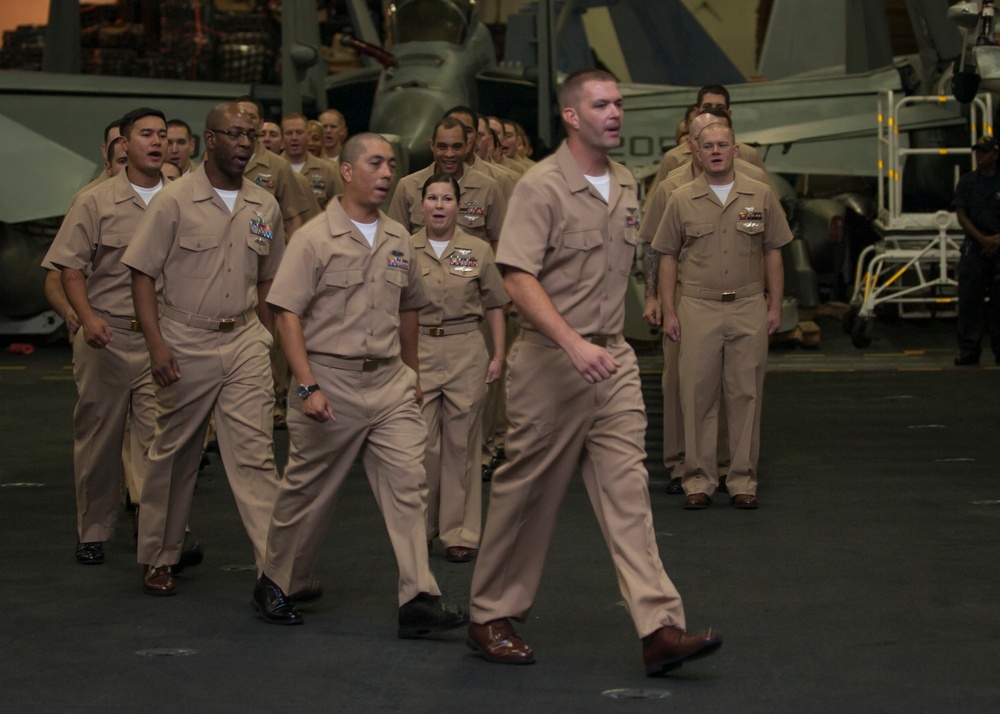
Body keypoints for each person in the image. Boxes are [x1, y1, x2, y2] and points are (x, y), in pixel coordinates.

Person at [465, 70, 722, 676]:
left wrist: (605, 343)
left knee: (628, 493)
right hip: (554, 362)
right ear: (572, 117)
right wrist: (571, 343)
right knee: (528, 491)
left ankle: (659, 627)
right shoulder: (542, 186)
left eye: (619, 104)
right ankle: (488, 615)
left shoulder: (627, 182)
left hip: (613, 361)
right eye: (601, 104)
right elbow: (517, 276)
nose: (614, 114)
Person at [249, 134, 469, 640]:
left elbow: (409, 305)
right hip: (330, 380)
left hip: (389, 382)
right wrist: (306, 386)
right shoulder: (314, 238)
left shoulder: (398, 238)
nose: (387, 172)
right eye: (376, 163)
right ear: (347, 172)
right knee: (305, 489)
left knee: (409, 486)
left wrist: (411, 372)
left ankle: (418, 596)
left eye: (392, 164)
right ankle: (275, 581)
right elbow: (286, 314)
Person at [122, 102, 285, 596]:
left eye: (250, 136)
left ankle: (278, 570)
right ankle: (158, 556)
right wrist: (156, 345)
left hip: (245, 340)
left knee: (257, 457)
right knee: (173, 454)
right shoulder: (173, 201)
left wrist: (270, 338)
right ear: (209, 140)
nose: (244, 143)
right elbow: (143, 273)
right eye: (233, 134)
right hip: (184, 340)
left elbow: (270, 279)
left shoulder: (265, 205)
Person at [42, 107, 168, 565]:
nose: (156, 142)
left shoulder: (182, 201)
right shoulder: (94, 201)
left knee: (159, 441)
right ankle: (93, 529)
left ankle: (158, 534)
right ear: (124, 146)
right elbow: (69, 267)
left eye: (162, 134)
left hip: (162, 340)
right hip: (106, 336)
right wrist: (85, 316)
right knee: (98, 440)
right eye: (146, 134)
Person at [652, 122, 791, 510]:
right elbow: (666, 255)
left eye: (723, 145)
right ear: (696, 152)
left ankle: (743, 479)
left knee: (746, 393)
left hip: (748, 303)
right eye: (708, 146)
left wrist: (775, 305)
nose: (715, 151)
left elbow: (774, 251)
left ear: (735, 150)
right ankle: (698, 479)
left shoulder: (760, 194)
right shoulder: (680, 198)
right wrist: (668, 310)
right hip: (697, 305)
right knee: (697, 395)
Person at [411, 173, 509, 563]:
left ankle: (459, 534)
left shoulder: (478, 249)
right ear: (421, 205)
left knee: (462, 446)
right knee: (421, 446)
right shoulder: (403, 246)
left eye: (447, 199)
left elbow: (495, 304)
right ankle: (420, 529)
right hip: (418, 349)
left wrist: (498, 355)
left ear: (458, 205)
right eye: (432, 198)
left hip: (466, 347)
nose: (438, 205)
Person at [388, 117, 507, 248]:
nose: (449, 154)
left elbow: (500, 242)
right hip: (420, 267)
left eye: (456, 147)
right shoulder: (408, 187)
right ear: (431, 146)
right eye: (442, 147)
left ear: (467, 146)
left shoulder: (488, 188)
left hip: (471, 267)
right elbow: (395, 242)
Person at [653, 85, 765, 186]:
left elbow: (768, 201)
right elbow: (658, 205)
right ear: (696, 112)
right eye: (707, 106)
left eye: (720, 107)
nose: (713, 111)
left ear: (729, 113)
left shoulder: (750, 156)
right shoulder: (673, 159)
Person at [952, 135, 1000, 365]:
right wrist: (982, 239)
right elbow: (961, 214)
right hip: (975, 246)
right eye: (978, 151)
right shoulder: (968, 182)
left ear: (995, 154)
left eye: (985, 151)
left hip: (998, 245)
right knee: (970, 300)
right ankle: (970, 349)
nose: (980, 156)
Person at [280, 112, 343, 208]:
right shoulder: (273, 168)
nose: (294, 138)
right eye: (289, 133)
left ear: (308, 136)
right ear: (282, 138)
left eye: (299, 132)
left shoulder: (328, 170)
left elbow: (342, 207)